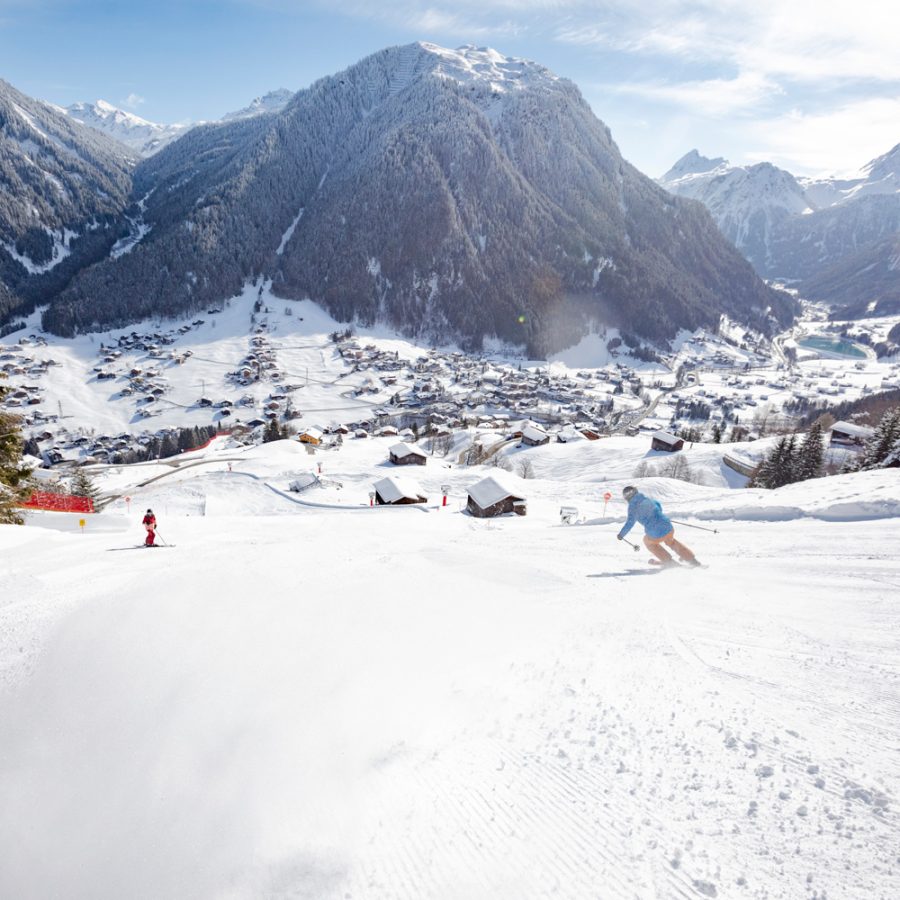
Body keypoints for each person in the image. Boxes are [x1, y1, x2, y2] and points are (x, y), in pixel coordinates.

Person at [617, 485, 700, 567]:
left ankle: (669, 562)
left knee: (647, 541)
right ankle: (692, 559)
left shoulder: (632, 508)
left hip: (655, 534)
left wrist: (621, 534)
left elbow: (629, 523)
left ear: (627, 498)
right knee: (671, 541)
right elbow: (658, 505)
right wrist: (658, 516)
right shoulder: (646, 499)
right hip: (668, 527)